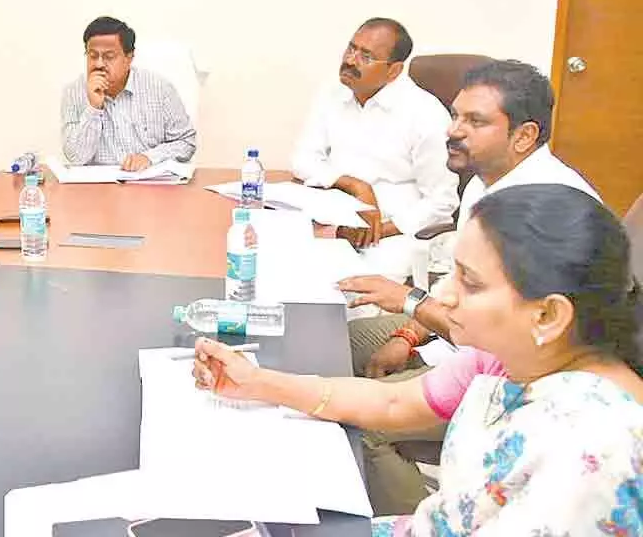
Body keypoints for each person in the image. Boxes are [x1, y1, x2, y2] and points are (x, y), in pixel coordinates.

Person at [194, 184, 643, 534]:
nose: (443, 295)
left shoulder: (593, 448)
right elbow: (392, 404)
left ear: (548, 314)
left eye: (469, 281)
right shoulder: (514, 357)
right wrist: (255, 383)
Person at [338, 60, 603, 515]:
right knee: (338, 343)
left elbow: (495, 338)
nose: (453, 131)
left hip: (520, 376)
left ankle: (431, 518)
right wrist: (406, 331)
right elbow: (459, 296)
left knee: (363, 427)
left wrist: (409, 303)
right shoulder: (488, 183)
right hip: (464, 343)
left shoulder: (542, 209)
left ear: (523, 135)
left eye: (474, 121)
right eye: (455, 116)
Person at [292, 18, 458, 294]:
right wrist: (355, 185)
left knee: (351, 299)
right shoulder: (331, 93)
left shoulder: (424, 114)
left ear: (394, 70)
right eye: (351, 49)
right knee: (283, 277)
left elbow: (442, 200)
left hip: (391, 232)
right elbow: (302, 159)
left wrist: (380, 228)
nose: (350, 61)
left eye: (365, 56)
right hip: (333, 219)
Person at [61, 16, 196, 170]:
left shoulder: (160, 88)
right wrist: (93, 108)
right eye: (92, 56)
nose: (99, 64)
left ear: (129, 57)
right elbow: (75, 158)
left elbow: (186, 143)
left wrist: (149, 157)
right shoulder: (73, 92)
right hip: (98, 189)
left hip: (148, 185)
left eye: (109, 57)